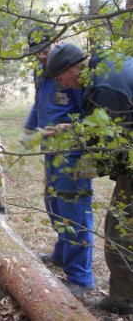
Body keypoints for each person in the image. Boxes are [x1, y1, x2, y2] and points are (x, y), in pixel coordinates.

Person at [46, 43, 133, 315]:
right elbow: (109, 122)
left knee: (121, 233)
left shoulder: (104, 87)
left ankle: (123, 302)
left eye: (62, 80)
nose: (64, 86)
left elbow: (112, 151)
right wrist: (73, 128)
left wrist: (77, 173)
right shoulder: (105, 65)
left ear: (74, 68)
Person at [21, 27, 95, 296]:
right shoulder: (41, 70)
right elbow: (39, 103)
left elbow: (88, 111)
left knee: (74, 210)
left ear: (58, 41)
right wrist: (30, 129)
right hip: (50, 148)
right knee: (53, 202)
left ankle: (80, 279)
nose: (41, 57)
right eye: (36, 53)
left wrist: (81, 148)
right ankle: (62, 254)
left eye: (45, 50)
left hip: (72, 151)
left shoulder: (73, 69)